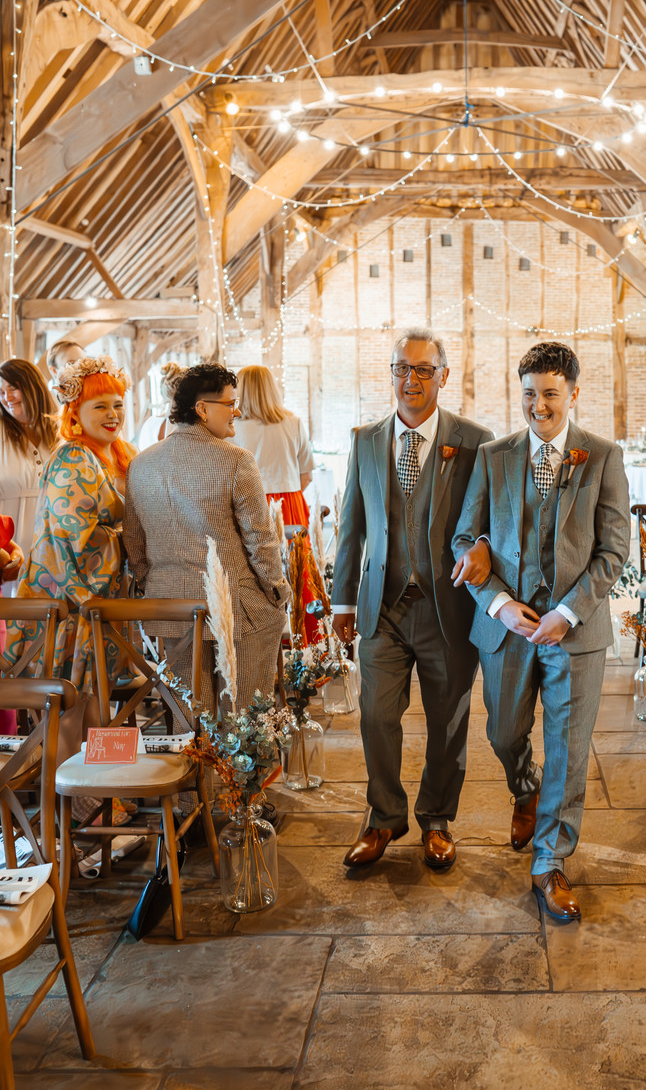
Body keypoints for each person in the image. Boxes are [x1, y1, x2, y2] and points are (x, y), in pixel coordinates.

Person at [452, 341, 630, 924]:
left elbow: (613, 552)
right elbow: (464, 540)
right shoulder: (494, 456)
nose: (538, 405)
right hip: (507, 628)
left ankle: (549, 863)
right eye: (529, 393)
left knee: (569, 755)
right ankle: (522, 787)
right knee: (503, 734)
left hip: (573, 634)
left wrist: (569, 612)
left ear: (573, 394)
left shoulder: (602, 456)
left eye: (550, 393)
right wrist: (499, 603)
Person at [333, 330, 492, 874]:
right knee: (376, 717)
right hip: (383, 607)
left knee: (448, 721)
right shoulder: (364, 440)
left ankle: (437, 821)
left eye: (424, 370)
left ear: (443, 377)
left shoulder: (475, 442)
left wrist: (484, 552)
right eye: (403, 367)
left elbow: (490, 524)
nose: (411, 379)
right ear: (392, 372)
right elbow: (351, 528)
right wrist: (341, 604)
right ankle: (383, 818)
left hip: (449, 608)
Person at [123, 363, 286, 712]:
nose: (237, 411)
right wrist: (278, 591)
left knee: (191, 717)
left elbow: (134, 544)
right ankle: (240, 766)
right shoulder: (236, 461)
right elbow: (261, 541)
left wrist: (150, 582)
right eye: (230, 403)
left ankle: (196, 766)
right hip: (235, 608)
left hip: (170, 609)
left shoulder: (140, 464)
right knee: (242, 716)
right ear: (202, 409)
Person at [4, 356, 134, 687]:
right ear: (75, 412)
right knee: (70, 708)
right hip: (70, 602)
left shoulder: (116, 454)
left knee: (90, 710)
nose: (112, 414)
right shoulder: (74, 457)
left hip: (94, 601)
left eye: (118, 405)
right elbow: (73, 538)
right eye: (100, 406)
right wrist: (128, 539)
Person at [231, 365, 315, 525]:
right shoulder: (294, 422)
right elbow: (307, 476)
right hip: (289, 501)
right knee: (293, 549)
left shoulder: (231, 427)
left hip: (248, 505)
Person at [0, 358, 60, 576]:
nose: (7, 397)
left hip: (55, 550)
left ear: (33, 387)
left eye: (12, 388)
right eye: (1, 392)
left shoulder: (61, 432)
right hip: (8, 552)